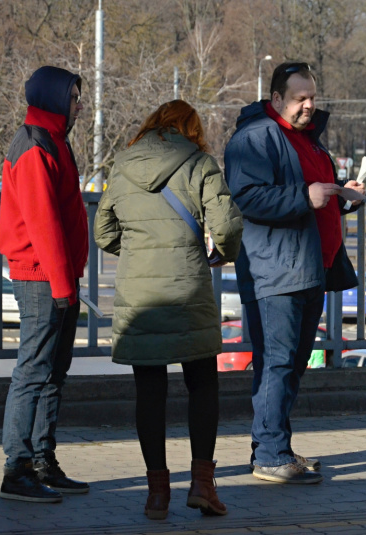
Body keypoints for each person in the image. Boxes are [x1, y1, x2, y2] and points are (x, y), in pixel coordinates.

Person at [94, 100, 243, 519]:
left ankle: (157, 494)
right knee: (202, 384)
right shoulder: (199, 163)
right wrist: (222, 255)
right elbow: (228, 225)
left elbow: (103, 230)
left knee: (150, 392)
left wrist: (139, 250)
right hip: (187, 289)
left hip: (141, 294)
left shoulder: (122, 165)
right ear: (189, 129)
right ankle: (201, 485)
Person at [224, 62, 365, 484]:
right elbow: (248, 198)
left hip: (308, 268)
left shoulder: (307, 141)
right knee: (278, 363)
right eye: (300, 98)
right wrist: (306, 195)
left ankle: (273, 446)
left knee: (292, 363)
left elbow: (317, 197)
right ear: (277, 100)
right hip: (276, 271)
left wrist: (343, 197)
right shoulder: (255, 137)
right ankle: (270, 453)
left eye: (312, 98)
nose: (309, 106)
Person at [0, 66, 89, 503]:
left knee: (53, 372)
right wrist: (60, 285)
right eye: (73, 97)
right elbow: (44, 224)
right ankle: (16, 469)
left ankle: (41, 461)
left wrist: (69, 277)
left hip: (57, 275)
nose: (79, 105)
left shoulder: (54, 140)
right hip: (41, 278)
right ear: (54, 99)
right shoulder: (34, 146)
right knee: (33, 373)